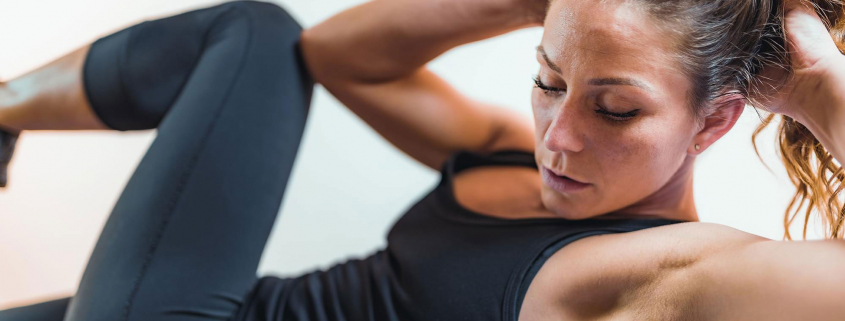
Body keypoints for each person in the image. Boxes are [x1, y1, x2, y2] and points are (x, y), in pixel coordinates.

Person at [3, 0, 845, 319]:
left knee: (251, 34)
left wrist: (818, 92)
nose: (559, 135)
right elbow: (334, 56)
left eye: (614, 109)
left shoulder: (669, 275)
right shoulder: (513, 156)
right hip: (227, 303)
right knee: (272, 39)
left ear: (713, 122)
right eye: (548, 81)